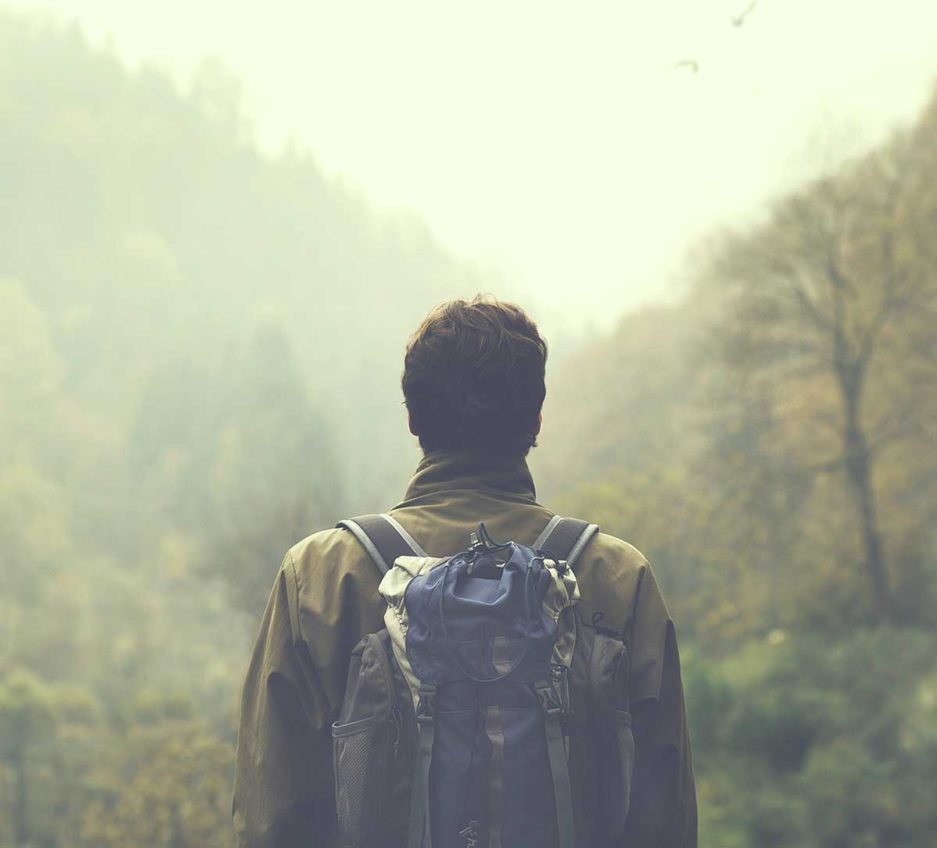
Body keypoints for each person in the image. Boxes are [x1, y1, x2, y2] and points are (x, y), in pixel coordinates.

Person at [233, 296, 697, 847]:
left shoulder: (321, 576)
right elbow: (662, 819)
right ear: (536, 419)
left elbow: (273, 820)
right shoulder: (617, 578)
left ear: (413, 417)